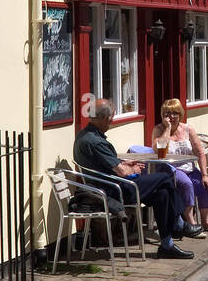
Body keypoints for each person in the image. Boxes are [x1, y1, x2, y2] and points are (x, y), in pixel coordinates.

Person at [74, 98, 198, 260]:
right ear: (105, 118)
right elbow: (122, 172)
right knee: (165, 178)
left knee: (163, 194)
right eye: (111, 118)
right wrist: (131, 168)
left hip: (108, 186)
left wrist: (126, 162)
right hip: (114, 190)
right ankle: (178, 223)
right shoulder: (96, 142)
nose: (111, 122)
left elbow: (107, 164)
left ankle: (167, 244)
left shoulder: (85, 136)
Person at [151, 99, 208, 233]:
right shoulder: (158, 129)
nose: (171, 116)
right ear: (163, 115)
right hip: (170, 169)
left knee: (206, 185)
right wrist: (167, 129)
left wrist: (205, 175)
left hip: (189, 167)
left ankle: (206, 222)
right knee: (186, 184)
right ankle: (191, 223)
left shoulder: (188, 129)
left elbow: (200, 152)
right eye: (167, 113)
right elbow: (161, 153)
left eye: (175, 113)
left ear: (180, 114)